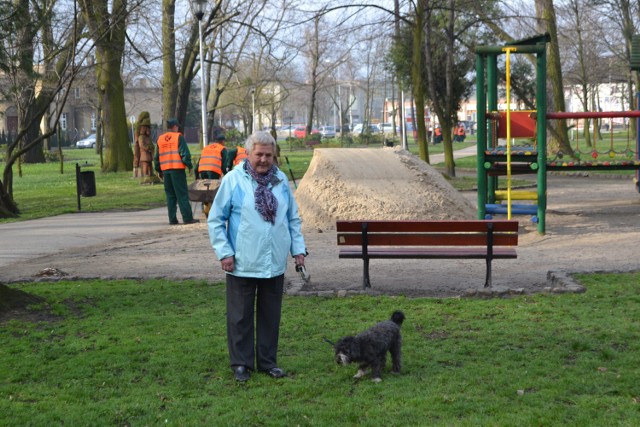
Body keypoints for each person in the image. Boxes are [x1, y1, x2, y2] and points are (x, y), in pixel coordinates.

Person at [208, 130, 306, 382]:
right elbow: (216, 219)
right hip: (242, 261)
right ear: (248, 154)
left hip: (273, 262)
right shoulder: (233, 180)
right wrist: (224, 251)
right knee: (240, 316)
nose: (263, 159)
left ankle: (267, 362)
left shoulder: (281, 181)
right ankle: (241, 364)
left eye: (268, 155)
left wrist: (298, 249)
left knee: (270, 315)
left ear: (274, 156)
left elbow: (292, 218)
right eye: (258, 154)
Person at [154, 118, 199, 225]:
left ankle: (172, 219)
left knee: (170, 196)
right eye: (177, 126)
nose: (178, 128)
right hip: (177, 170)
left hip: (166, 171)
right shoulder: (178, 137)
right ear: (174, 127)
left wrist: (158, 170)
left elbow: (156, 157)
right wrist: (190, 166)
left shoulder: (160, 139)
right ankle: (187, 218)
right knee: (182, 194)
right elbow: (184, 153)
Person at [135, 112, 154, 178]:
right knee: (145, 164)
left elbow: (151, 143)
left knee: (150, 165)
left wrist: (151, 147)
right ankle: (145, 174)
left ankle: (150, 174)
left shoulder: (148, 137)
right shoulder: (141, 137)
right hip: (144, 153)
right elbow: (141, 145)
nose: (148, 130)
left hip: (149, 153)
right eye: (146, 128)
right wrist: (148, 147)